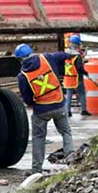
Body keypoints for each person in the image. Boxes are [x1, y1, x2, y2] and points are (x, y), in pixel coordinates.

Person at [15, 43, 74, 175]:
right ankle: (71, 160)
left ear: (20, 59)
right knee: (66, 132)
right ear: (31, 52)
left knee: (38, 138)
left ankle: (36, 169)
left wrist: (36, 102)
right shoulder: (47, 58)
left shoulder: (23, 76)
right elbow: (62, 56)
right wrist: (72, 53)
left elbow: (28, 99)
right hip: (59, 104)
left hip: (41, 111)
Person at [62, 34, 90, 118]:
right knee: (81, 93)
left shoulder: (65, 54)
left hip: (68, 78)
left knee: (69, 95)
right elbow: (79, 68)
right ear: (77, 44)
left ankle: (68, 111)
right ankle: (84, 110)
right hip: (77, 78)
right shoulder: (77, 56)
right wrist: (86, 73)